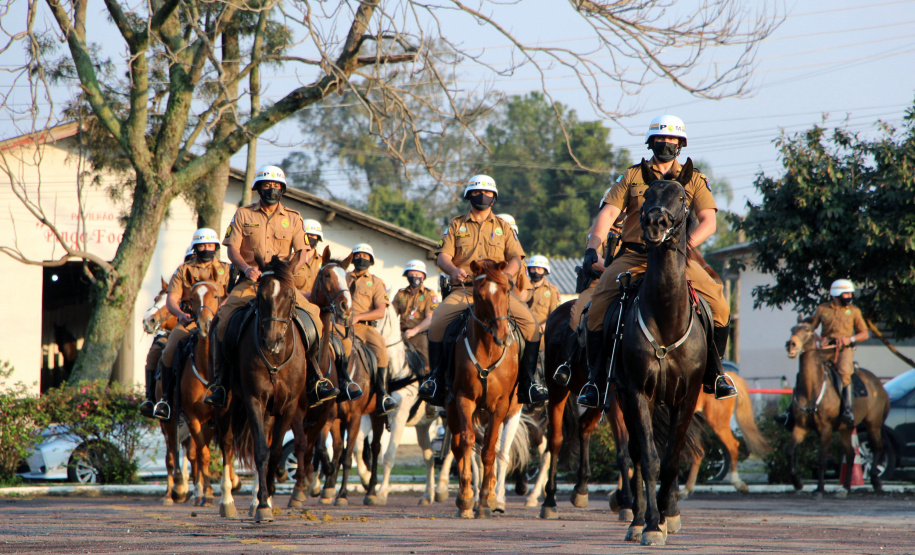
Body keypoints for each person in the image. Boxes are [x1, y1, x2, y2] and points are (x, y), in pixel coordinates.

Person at [577, 114, 737, 409]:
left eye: (671, 139)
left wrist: (683, 246)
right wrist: (592, 247)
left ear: (680, 144)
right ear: (650, 142)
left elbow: (709, 221)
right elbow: (608, 214)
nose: (666, 143)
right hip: (635, 256)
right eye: (660, 138)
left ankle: (715, 374)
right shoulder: (632, 176)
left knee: (721, 306)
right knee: (596, 307)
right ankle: (596, 381)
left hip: (677, 258)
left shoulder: (694, 178)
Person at [204, 165, 341, 407]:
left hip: (282, 284)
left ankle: (315, 379)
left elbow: (302, 252)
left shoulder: (294, 217)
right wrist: (246, 268)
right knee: (222, 321)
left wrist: (289, 272)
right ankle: (221, 384)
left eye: (276, 185)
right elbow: (232, 249)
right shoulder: (243, 215)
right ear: (258, 188)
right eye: (267, 185)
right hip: (251, 282)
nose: (272, 189)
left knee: (315, 319)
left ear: (282, 189)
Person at [418, 174, 549, 406]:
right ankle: (435, 379)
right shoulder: (456, 224)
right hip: (466, 290)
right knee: (437, 322)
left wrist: (507, 275)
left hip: (497, 292)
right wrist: (453, 270)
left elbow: (516, 257)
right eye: (478, 192)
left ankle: (529, 382)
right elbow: (443, 257)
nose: (483, 196)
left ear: (494, 197)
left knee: (531, 325)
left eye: (488, 193)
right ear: (469, 195)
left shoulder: (503, 226)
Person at [149, 228, 231, 420]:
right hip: (191, 321)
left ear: (216, 247)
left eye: (210, 245)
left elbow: (232, 294)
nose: (206, 249)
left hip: (220, 321)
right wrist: (180, 314)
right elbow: (172, 299)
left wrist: (222, 311)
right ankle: (166, 400)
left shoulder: (226, 269)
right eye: (202, 245)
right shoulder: (183, 270)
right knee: (168, 351)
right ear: (195, 247)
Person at [775, 279, 868, 428]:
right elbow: (809, 329)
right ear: (837, 294)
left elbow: (864, 334)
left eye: (850, 293)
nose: (850, 296)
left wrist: (849, 339)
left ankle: (848, 411)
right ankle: (790, 412)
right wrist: (819, 339)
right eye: (847, 293)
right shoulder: (822, 309)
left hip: (844, 350)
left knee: (845, 373)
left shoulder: (854, 311)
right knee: (805, 373)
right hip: (825, 350)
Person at [347, 243, 399, 415]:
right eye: (358, 255)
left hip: (363, 327)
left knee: (381, 350)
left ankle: (382, 396)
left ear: (371, 260)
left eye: (365, 256)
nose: (361, 258)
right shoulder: (342, 276)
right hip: (339, 324)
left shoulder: (376, 282)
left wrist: (358, 317)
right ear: (352, 258)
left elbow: (380, 311)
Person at [392, 260, 438, 372]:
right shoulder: (401, 294)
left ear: (423, 276)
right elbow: (392, 314)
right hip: (401, 335)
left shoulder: (429, 294)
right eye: (411, 274)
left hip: (420, 335)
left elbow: (430, 318)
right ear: (407, 276)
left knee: (426, 366)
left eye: (417, 274)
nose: (414, 277)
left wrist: (414, 331)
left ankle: (427, 381)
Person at [497, 213, 533, 303]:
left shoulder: (519, 260)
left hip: (508, 300)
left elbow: (524, 291)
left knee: (525, 313)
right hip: (479, 296)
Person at [526, 255, 559, 335]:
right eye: (533, 269)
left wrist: (544, 326)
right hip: (522, 333)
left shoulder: (552, 291)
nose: (535, 272)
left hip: (542, 335)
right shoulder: (522, 289)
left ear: (545, 271)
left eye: (539, 269)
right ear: (529, 270)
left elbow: (554, 314)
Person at [293, 218, 325, 296]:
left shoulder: (323, 262)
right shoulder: (290, 260)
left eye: (313, 235)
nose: (309, 238)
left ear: (318, 238)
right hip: (294, 301)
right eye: (307, 235)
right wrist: (303, 295)